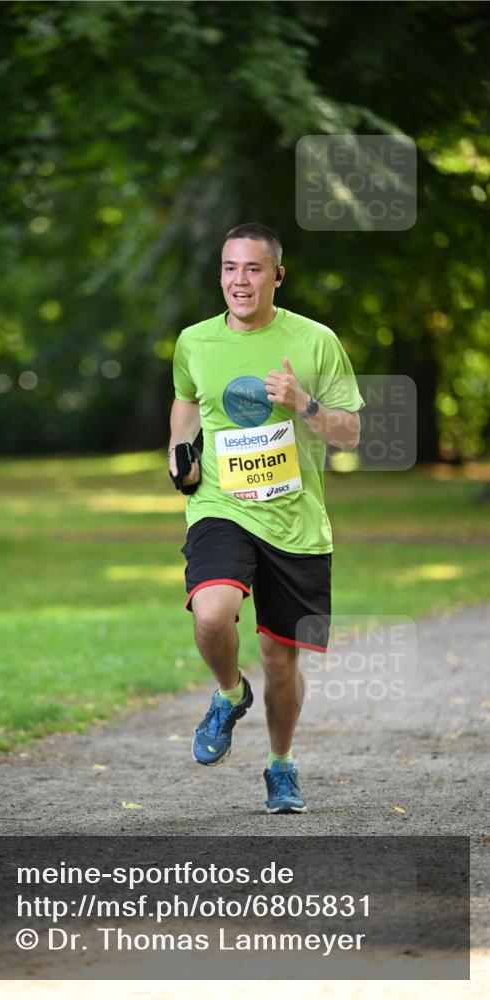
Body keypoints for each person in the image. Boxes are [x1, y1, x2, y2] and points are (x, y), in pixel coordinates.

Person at [168, 222, 364, 814]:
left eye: (253, 268)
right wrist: (180, 463)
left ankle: (281, 765)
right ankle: (229, 695)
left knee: (282, 660)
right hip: (221, 506)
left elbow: (351, 434)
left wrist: (301, 403)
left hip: (295, 520)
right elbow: (184, 413)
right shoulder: (194, 342)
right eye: (230, 268)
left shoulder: (315, 340)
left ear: (278, 274)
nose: (240, 280)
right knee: (212, 611)